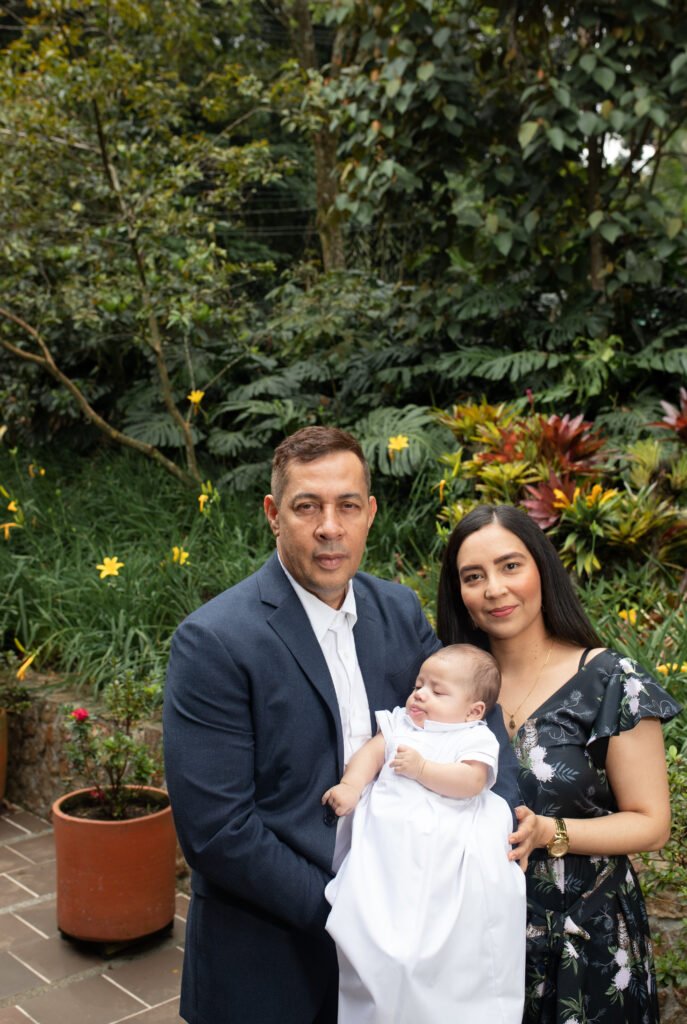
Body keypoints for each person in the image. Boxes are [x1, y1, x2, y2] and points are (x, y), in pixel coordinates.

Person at [163, 429, 532, 1024]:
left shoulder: (397, 609)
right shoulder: (215, 641)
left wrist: (498, 825)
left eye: (348, 506)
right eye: (307, 506)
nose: (330, 527)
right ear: (273, 514)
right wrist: (352, 915)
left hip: (412, 949)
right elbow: (218, 832)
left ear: (371, 514)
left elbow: (476, 710)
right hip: (274, 957)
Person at [436, 503, 681, 1024]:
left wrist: (552, 832)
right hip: (474, 941)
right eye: (473, 576)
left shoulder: (610, 680)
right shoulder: (442, 688)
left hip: (586, 938)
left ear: (542, 571)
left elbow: (652, 822)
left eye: (510, 566)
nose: (494, 589)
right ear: (459, 594)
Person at [322, 644, 526, 1024]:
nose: (420, 695)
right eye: (419, 685)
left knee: (442, 936)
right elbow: (371, 754)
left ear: (473, 710)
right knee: (377, 934)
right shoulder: (400, 724)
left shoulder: (474, 737)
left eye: (437, 691)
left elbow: (471, 781)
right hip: (390, 848)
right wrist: (351, 786)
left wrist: (422, 769)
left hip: (445, 852)